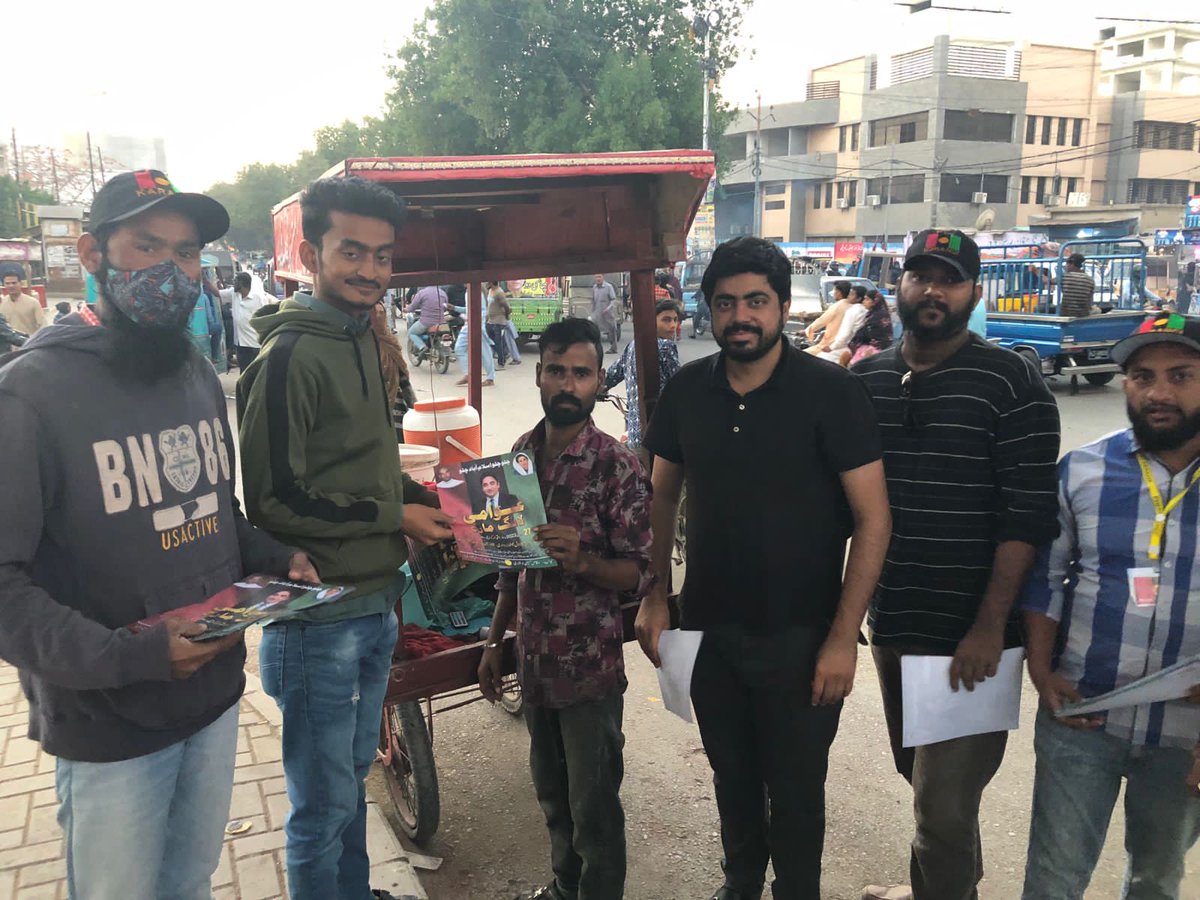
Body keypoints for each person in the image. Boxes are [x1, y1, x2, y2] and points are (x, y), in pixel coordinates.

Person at [0, 169, 315, 900]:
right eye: (147, 247)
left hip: (209, 700)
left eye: (184, 253)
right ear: (91, 253)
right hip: (110, 724)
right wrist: (131, 655)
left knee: (191, 883)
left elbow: (214, 514)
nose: (171, 272)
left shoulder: (196, 375)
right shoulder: (31, 394)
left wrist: (276, 557)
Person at [636, 237, 893, 900]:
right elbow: (662, 492)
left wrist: (842, 638)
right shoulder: (688, 390)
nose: (740, 316)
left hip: (803, 638)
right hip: (712, 630)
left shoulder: (830, 392)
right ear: (709, 311)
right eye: (726, 303)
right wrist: (657, 596)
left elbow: (873, 521)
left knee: (799, 794)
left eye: (756, 301)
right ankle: (740, 886)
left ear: (782, 306)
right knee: (734, 780)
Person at [237, 175, 455, 900]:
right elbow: (275, 500)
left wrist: (432, 499)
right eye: (352, 252)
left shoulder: (366, 339)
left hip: (371, 602)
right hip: (315, 619)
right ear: (311, 250)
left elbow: (365, 467)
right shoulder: (290, 356)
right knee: (320, 806)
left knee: (349, 788)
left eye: (384, 256)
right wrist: (395, 517)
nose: (370, 270)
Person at [853, 229, 1062, 900]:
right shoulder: (867, 380)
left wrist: (988, 626)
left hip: (971, 639)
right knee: (924, 785)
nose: (933, 290)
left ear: (974, 291)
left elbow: (1026, 517)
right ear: (900, 284)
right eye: (921, 275)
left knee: (941, 810)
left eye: (950, 278)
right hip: (895, 625)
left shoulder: (1012, 382)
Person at [1020, 313, 1200, 899]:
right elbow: (1046, 577)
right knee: (1053, 880)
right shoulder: (1082, 470)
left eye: (1181, 375)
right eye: (1142, 377)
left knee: (1155, 881)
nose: (1159, 393)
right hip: (1083, 716)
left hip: (1185, 732)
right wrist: (1042, 672)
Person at [478, 317, 654, 900]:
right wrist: (493, 642)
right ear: (538, 374)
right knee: (552, 795)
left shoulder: (617, 465)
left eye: (581, 373)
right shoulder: (520, 455)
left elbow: (640, 571)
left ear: (599, 380)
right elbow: (509, 563)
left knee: (594, 807)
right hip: (533, 663)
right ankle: (563, 888)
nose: (567, 384)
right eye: (557, 370)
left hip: (588, 670)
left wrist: (582, 562)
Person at [602, 298, 682, 450]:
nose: (672, 325)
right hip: (660, 434)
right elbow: (678, 385)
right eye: (666, 320)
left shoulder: (633, 345)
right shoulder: (666, 346)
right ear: (650, 321)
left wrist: (600, 389)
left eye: (675, 320)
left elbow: (612, 374)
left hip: (635, 434)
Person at [371, 300, 417, 440]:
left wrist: (415, 405)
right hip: (374, 404)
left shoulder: (390, 341)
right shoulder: (362, 343)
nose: (378, 316)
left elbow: (402, 373)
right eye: (375, 313)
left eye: (381, 313)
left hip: (396, 399)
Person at [810, 284, 868, 363]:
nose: (849, 296)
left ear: (858, 298)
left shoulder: (852, 311)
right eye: (849, 293)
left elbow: (845, 334)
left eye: (852, 294)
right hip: (857, 345)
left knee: (820, 358)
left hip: (847, 346)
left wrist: (832, 347)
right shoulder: (864, 310)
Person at [454, 287, 497, 386]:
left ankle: (486, 377)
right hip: (472, 324)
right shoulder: (469, 291)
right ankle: (471, 375)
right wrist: (455, 308)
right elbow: (469, 309)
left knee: (483, 351)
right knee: (483, 351)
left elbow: (482, 310)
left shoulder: (475, 291)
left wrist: (474, 320)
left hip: (475, 324)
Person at [224, 272, 266, 370]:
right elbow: (218, 293)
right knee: (244, 373)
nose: (233, 284)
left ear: (241, 284)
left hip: (254, 344)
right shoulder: (234, 294)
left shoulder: (257, 299)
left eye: (235, 282)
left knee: (255, 373)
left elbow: (265, 318)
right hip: (241, 345)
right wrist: (205, 280)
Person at [846, 289, 894, 366]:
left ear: (874, 301)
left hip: (875, 350)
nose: (864, 301)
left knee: (852, 366)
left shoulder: (877, 316)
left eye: (867, 299)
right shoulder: (873, 314)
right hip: (878, 348)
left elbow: (868, 335)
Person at [804, 279, 851, 346]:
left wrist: (806, 331)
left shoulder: (836, 306)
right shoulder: (852, 305)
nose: (833, 293)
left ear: (838, 293)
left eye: (834, 290)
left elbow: (822, 321)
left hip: (832, 343)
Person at [0, 265, 44, 336]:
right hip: (10, 345)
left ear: (21, 283)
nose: (11, 286)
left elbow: (42, 326)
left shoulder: (33, 303)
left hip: (29, 343)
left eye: (14, 283)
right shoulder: (2, 303)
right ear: (4, 285)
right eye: (7, 283)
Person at [407, 283, 447, 356]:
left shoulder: (422, 293)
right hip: (442, 322)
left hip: (426, 322)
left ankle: (422, 347)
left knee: (410, 333)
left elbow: (413, 306)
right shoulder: (442, 292)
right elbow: (445, 307)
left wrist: (406, 309)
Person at [591, 273, 620, 354]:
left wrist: (608, 308)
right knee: (595, 331)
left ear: (603, 277)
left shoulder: (608, 287)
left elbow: (613, 299)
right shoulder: (594, 287)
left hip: (608, 314)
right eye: (596, 277)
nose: (598, 279)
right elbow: (593, 301)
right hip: (597, 313)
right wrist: (592, 312)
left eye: (599, 276)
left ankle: (614, 348)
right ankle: (596, 349)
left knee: (611, 331)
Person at [1059, 252, 1095, 318]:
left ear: (1071, 264)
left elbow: (1047, 281)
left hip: (1066, 313)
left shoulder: (1065, 277)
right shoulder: (1090, 279)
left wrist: (1036, 271)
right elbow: (1090, 298)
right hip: (1083, 314)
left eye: (1067, 263)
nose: (1066, 266)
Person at [486, 281, 513, 367]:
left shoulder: (499, 292)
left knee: (498, 342)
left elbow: (506, 306)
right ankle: (504, 353)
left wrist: (506, 314)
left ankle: (501, 361)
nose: (487, 283)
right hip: (490, 320)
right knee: (489, 339)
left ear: (492, 283)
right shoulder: (490, 291)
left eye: (488, 282)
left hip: (499, 321)